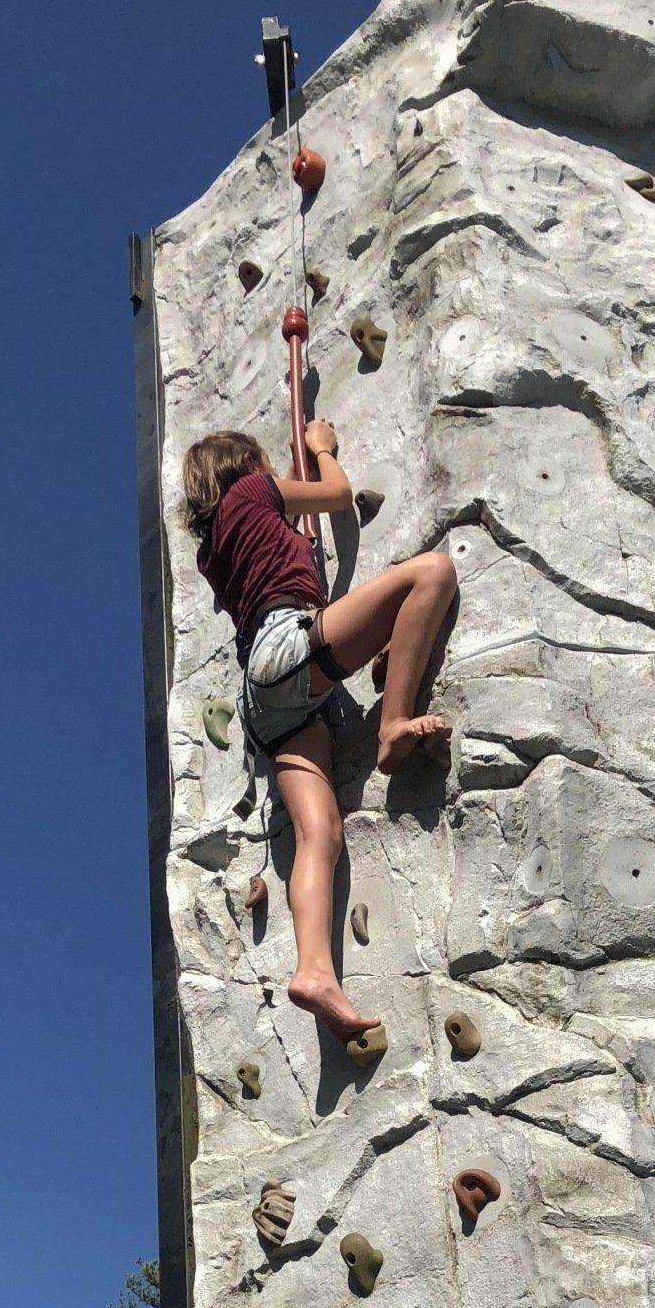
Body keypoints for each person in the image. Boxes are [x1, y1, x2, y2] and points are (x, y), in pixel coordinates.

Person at [182, 424, 457, 1042]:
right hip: (288, 648)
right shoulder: (252, 492)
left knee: (321, 836)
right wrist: (323, 447)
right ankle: (392, 726)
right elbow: (335, 495)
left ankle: (314, 971)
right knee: (432, 574)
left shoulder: (214, 549)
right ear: (246, 464)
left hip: (266, 704)